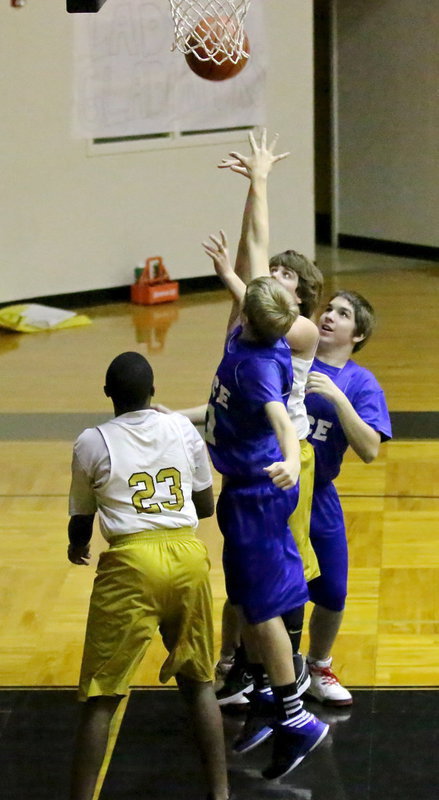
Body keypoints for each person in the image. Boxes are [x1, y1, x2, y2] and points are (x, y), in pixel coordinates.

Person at [67, 351, 229, 800]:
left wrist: (77, 546)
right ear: (153, 391)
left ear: (108, 395)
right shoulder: (181, 428)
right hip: (187, 559)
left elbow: (81, 519)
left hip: (130, 565)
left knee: (102, 696)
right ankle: (220, 793)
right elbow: (205, 507)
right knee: (199, 685)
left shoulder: (92, 441)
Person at [202, 232, 328, 779]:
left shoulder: (256, 365)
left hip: (258, 492)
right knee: (248, 599)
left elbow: (280, 419)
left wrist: (292, 462)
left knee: (260, 605)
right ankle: (270, 700)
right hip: (241, 490)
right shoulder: (254, 335)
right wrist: (229, 273)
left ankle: (296, 717)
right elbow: (249, 284)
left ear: (247, 319)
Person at [211, 130, 324, 705]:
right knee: (245, 577)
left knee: (284, 574)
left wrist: (260, 180)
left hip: (282, 460)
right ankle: (244, 669)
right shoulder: (255, 318)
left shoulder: (293, 331)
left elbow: (254, 256)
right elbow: (248, 256)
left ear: (299, 300)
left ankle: (290, 676)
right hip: (250, 456)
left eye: (283, 276)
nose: (269, 275)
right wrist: (252, 190)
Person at [304, 291, 392, 705]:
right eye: (329, 309)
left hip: (319, 496)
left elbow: (370, 449)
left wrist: (338, 399)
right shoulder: (290, 358)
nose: (330, 317)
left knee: (334, 591)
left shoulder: (360, 383)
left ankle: (318, 665)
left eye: (343, 314)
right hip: (275, 494)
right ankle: (244, 667)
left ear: (357, 335)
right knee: (264, 590)